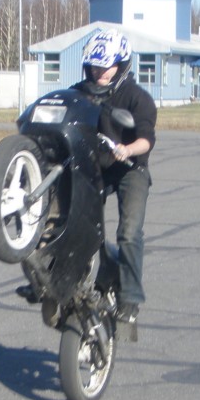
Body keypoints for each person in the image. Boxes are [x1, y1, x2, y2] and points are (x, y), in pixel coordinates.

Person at [79, 28, 157, 328]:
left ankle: (130, 300)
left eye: (106, 66)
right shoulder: (83, 91)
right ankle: (61, 275)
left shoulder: (137, 97)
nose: (99, 72)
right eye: (94, 66)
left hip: (130, 168)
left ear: (121, 65)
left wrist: (127, 149)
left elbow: (146, 140)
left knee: (129, 232)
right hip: (96, 167)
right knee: (77, 221)